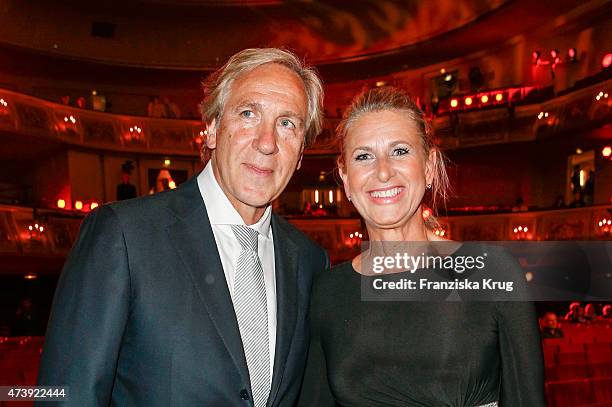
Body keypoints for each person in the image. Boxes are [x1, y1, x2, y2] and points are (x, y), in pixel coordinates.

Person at [38, 48, 328, 406]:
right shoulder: (124, 236)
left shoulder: (310, 262)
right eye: (248, 113)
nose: (267, 142)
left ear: (300, 154)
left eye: (287, 124)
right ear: (211, 129)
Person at [299, 87, 545, 406]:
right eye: (363, 157)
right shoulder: (327, 292)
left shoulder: (491, 271)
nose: (383, 171)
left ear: (428, 167)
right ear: (345, 178)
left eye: (400, 151)